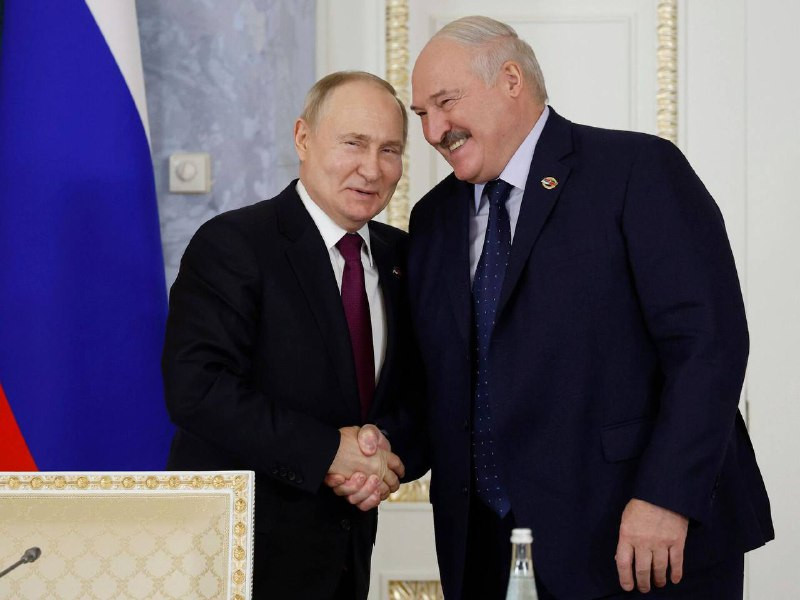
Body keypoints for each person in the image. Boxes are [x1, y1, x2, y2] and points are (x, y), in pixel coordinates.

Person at [407, 16, 773, 600]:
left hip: (639, 544)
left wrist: (667, 496)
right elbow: (437, 379)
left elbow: (708, 344)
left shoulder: (636, 170)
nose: (433, 130)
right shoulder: (431, 219)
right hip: (485, 553)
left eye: (445, 103)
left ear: (510, 80)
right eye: (421, 113)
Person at [162, 71, 423, 600]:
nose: (372, 168)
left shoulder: (405, 257)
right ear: (303, 138)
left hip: (347, 557)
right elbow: (197, 388)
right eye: (353, 143)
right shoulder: (234, 243)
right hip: (237, 554)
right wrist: (328, 452)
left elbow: (425, 392)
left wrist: (381, 457)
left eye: (390, 150)